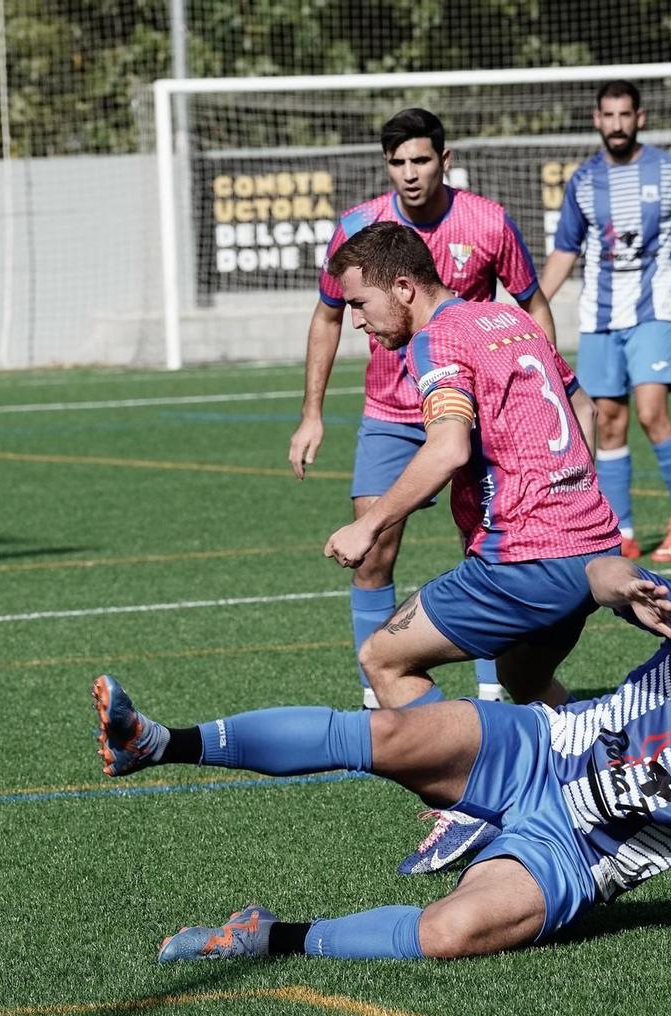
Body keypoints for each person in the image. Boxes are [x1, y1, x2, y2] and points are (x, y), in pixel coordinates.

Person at [91, 564, 671, 964]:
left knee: (449, 933)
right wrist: (613, 582)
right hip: (540, 747)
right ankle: (157, 742)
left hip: (579, 855)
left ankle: (265, 935)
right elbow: (607, 575)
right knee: (387, 734)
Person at [321, 219, 624, 872]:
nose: (356, 323)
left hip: (523, 560)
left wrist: (367, 525)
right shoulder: (509, 320)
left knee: (383, 658)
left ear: (402, 287)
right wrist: (576, 497)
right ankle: (602, 773)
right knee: (522, 675)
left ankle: (476, 805)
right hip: (593, 548)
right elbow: (587, 409)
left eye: (360, 304)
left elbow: (449, 446)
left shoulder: (437, 340)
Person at [290, 107, 555, 709]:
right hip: (390, 413)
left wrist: (540, 387)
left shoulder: (488, 223)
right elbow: (329, 314)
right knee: (372, 547)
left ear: (445, 160)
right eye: (398, 162)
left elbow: (532, 305)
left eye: (421, 159)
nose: (409, 173)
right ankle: (377, 699)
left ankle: (493, 691)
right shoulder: (360, 228)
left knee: (489, 546)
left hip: (477, 410)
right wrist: (312, 412)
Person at [538, 79, 671, 566]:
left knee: (650, 412)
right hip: (599, 317)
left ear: (639, 117)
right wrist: (529, 308)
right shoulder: (583, 181)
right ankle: (623, 531)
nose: (616, 125)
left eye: (625, 115)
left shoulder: (669, 171)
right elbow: (565, 251)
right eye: (608, 115)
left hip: (653, 311)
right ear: (596, 119)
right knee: (608, 423)